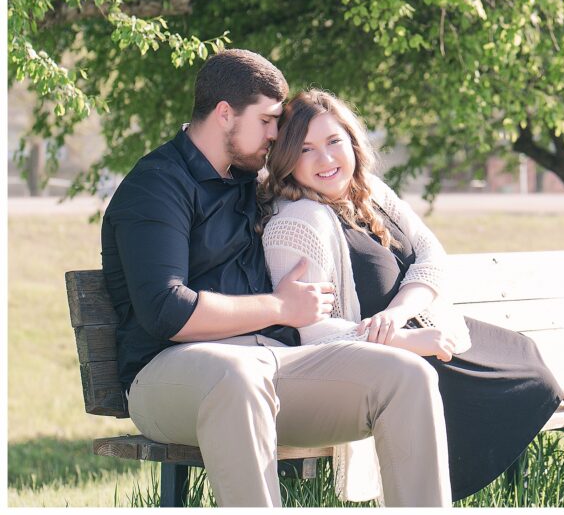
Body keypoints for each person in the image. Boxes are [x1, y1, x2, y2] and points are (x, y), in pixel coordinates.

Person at [257, 89, 564, 501]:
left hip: (430, 329)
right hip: (388, 369)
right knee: (533, 381)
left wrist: (402, 312)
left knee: (525, 352)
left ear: (352, 142)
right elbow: (314, 337)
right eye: (306, 149)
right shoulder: (297, 222)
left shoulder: (370, 192)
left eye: (333, 142)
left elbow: (431, 255)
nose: (326, 160)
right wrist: (407, 342)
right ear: (287, 160)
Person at [101, 49, 454, 507]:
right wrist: (280, 307)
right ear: (225, 114)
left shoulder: (251, 181)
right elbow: (166, 311)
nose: (276, 134)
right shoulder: (157, 186)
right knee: (236, 376)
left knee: (406, 376)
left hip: (271, 363)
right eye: (268, 121)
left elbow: (336, 183)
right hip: (170, 375)